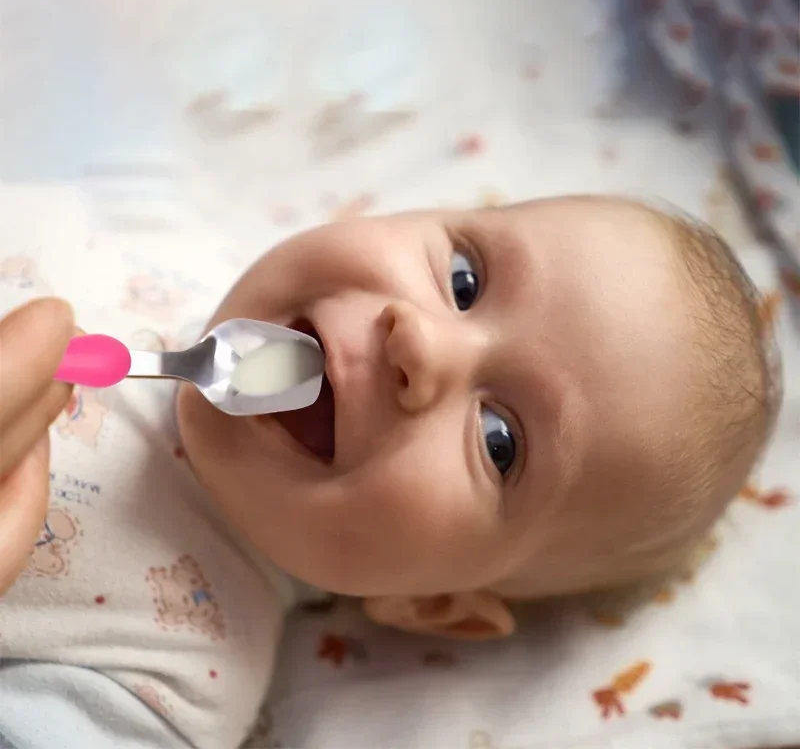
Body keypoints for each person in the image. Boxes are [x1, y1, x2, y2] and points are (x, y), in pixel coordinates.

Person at [0, 194, 781, 748]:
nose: (423, 346)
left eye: (500, 440)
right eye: (465, 280)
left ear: (433, 604)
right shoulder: (162, 222)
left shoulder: (175, 680)